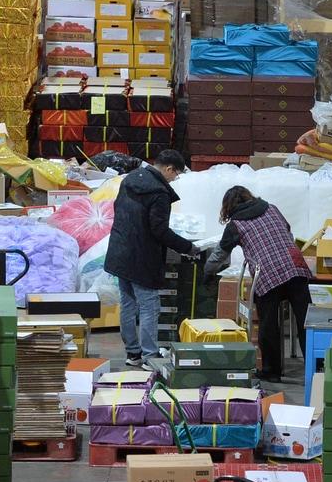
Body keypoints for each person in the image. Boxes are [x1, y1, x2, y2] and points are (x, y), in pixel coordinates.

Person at [211, 186, 312, 384]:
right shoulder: (271, 208)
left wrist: (207, 272)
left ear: (228, 207)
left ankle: (271, 371)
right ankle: (315, 370)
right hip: (295, 266)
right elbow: (287, 229)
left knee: (268, 322)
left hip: (267, 274)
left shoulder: (236, 225)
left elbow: (219, 254)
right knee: (306, 321)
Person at [105, 150, 196, 367]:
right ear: (169, 169)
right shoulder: (159, 193)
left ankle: (133, 353)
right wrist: (188, 247)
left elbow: (119, 210)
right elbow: (159, 231)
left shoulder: (130, 179)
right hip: (142, 256)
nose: (175, 179)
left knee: (127, 303)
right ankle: (149, 356)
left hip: (120, 249)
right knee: (149, 306)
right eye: (177, 174)